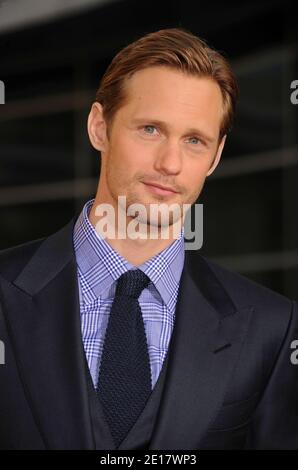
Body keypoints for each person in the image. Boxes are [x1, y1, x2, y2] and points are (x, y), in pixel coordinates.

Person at [0, 28, 297, 450]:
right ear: (99, 127)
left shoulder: (272, 326)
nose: (171, 163)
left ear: (214, 156)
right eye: (151, 130)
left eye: (194, 141)